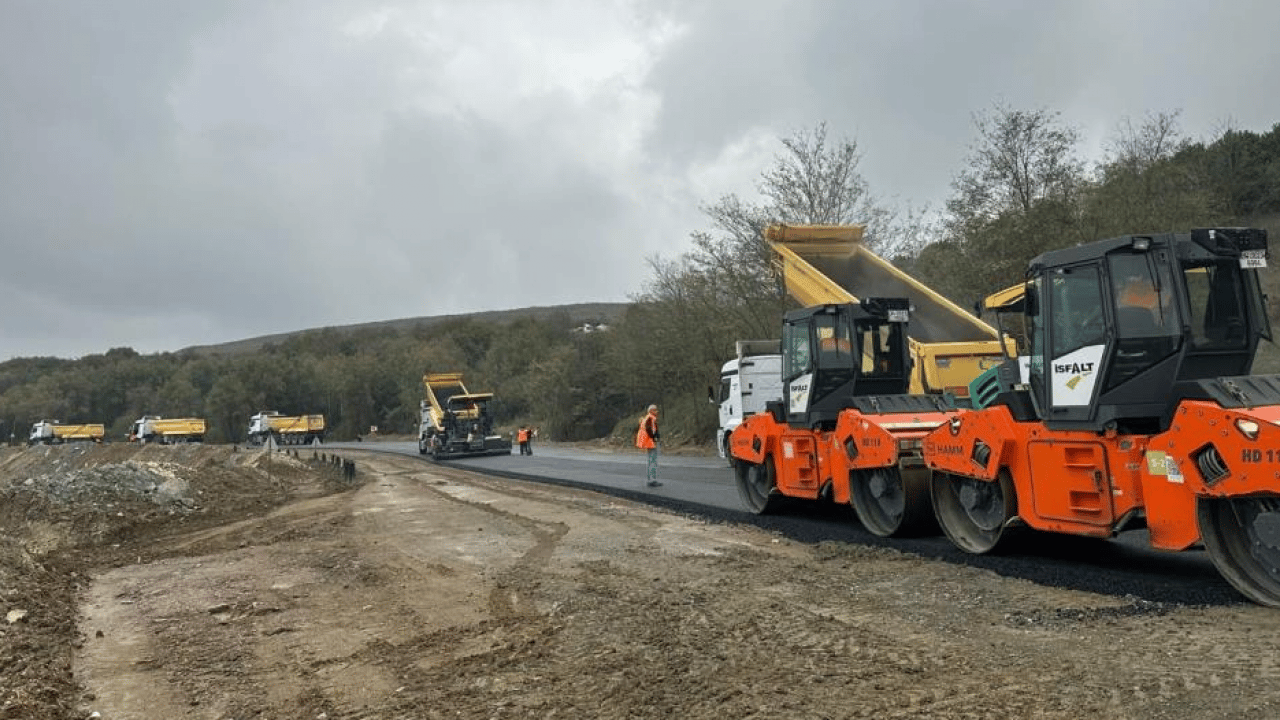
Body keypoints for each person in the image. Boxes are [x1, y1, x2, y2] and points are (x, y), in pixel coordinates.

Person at [635, 404, 661, 487]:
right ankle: (652, 480)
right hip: (650, 443)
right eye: (655, 410)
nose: (657, 411)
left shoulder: (648, 418)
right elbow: (650, 430)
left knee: (651, 461)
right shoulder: (650, 418)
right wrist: (655, 438)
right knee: (653, 461)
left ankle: (651, 480)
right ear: (651, 411)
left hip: (648, 442)